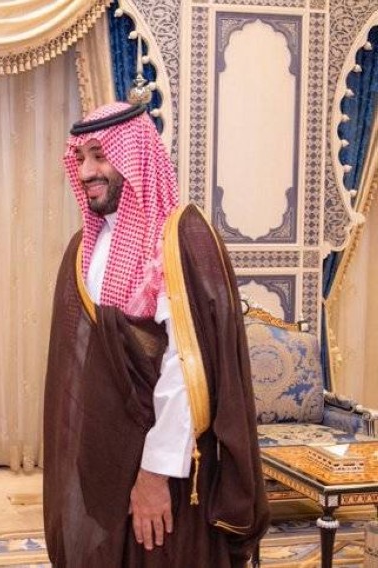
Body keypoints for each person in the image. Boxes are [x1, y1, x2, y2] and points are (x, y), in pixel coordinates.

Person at [43, 102, 269, 567]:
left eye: (100, 155)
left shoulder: (180, 238)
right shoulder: (84, 246)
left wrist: (154, 474)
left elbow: (187, 369)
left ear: (136, 157)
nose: (86, 172)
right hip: (108, 458)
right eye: (80, 158)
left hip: (169, 470)